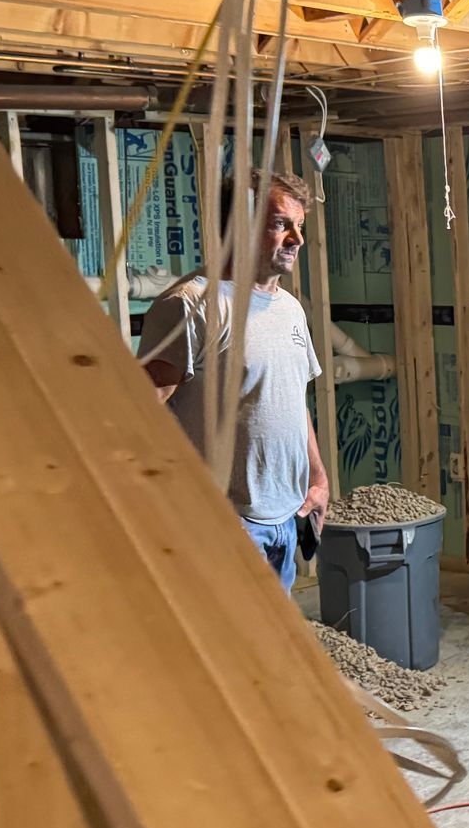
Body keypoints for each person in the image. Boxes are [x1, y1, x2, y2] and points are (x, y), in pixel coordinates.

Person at [138, 169, 329, 590]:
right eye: (281, 224)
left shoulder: (290, 309)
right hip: (228, 523)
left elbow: (293, 402)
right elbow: (140, 416)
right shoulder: (194, 306)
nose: (297, 239)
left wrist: (317, 478)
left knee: (271, 648)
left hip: (286, 518)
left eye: (300, 226)